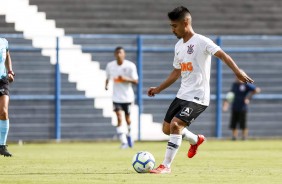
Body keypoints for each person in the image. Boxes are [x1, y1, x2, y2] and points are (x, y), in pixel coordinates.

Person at [147, 6, 254, 174]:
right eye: (171, 26)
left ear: (186, 22)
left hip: (198, 96)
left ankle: (165, 166)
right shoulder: (178, 46)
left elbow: (223, 55)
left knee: (175, 125)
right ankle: (196, 140)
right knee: (167, 129)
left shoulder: (202, 41)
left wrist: (238, 71)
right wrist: (158, 88)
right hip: (183, 94)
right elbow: (177, 71)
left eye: (174, 26)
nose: (172, 29)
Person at [105, 46, 138, 149]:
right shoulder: (110, 66)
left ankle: (129, 136)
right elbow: (107, 77)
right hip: (116, 98)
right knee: (119, 117)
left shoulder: (130, 66)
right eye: (117, 53)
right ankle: (123, 142)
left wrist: (125, 79)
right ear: (115, 54)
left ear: (124, 54)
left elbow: (136, 81)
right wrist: (106, 85)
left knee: (127, 119)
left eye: (121, 53)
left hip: (127, 98)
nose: (119, 55)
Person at [223, 76, 261, 141]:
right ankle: (234, 137)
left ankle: (244, 137)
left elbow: (257, 90)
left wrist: (248, 97)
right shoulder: (234, 85)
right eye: (236, 77)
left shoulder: (246, 84)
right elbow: (230, 94)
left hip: (243, 108)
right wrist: (226, 104)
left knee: (243, 124)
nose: (237, 78)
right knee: (234, 123)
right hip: (235, 107)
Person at [0, 37, 15, 157]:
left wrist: (10, 71)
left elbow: (8, 55)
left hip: (2, 80)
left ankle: (2, 146)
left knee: (4, 112)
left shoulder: (4, 41)